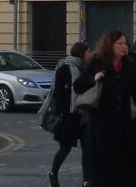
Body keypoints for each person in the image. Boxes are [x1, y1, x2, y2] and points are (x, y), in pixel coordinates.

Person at [74, 29, 136, 186]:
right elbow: (78, 86)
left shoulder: (130, 65)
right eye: (119, 43)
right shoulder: (98, 63)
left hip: (125, 124)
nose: (123, 46)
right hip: (102, 125)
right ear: (110, 45)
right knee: (104, 167)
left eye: (125, 43)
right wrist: (94, 78)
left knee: (126, 165)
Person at [48, 40, 91, 187]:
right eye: (88, 51)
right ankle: (53, 172)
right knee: (64, 149)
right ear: (82, 53)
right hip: (69, 115)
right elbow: (58, 93)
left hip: (84, 115)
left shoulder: (86, 68)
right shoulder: (65, 68)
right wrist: (61, 113)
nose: (90, 54)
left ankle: (86, 180)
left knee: (87, 149)